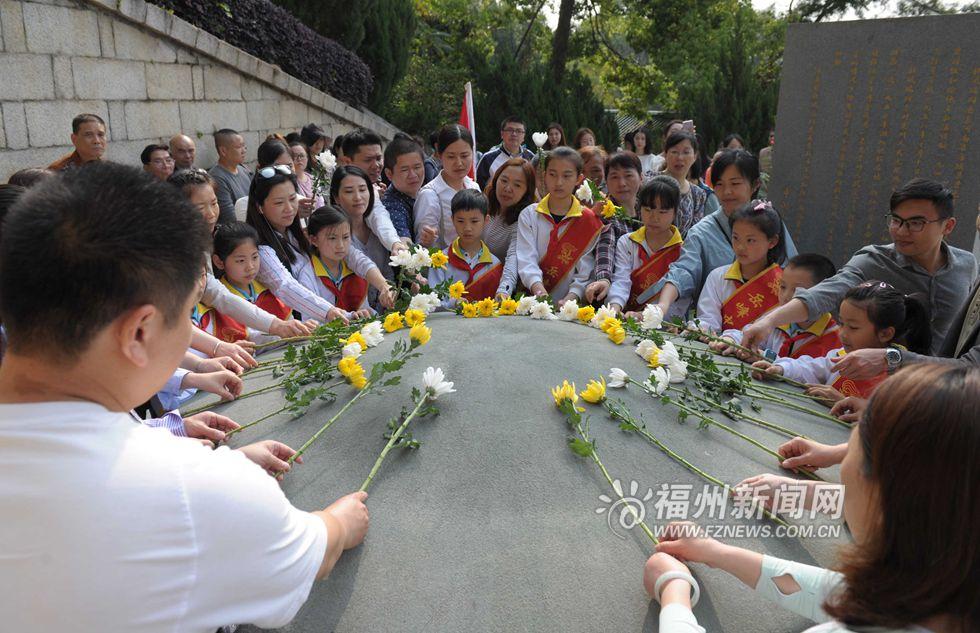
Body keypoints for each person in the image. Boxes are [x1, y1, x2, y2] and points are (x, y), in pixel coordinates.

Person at [0, 162, 370, 631]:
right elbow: (310, 551)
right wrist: (338, 521)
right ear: (139, 333)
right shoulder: (194, 488)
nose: (191, 336)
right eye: (185, 319)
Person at [644, 364, 979, 633]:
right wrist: (715, 552)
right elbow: (835, 591)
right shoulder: (948, 588)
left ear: (885, 496)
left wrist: (674, 593)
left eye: (852, 444)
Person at [742, 178, 976, 356]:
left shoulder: (966, 265)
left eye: (916, 223)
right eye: (896, 220)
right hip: (880, 384)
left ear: (948, 226)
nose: (901, 231)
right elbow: (823, 294)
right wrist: (768, 321)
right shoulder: (873, 260)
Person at [651, 150, 798, 319]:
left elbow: (792, 271)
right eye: (719, 184)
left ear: (755, 184)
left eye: (735, 184)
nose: (726, 191)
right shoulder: (701, 233)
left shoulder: (771, 223)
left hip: (769, 326)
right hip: (717, 329)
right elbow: (684, 271)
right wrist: (663, 304)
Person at [169, 169, 311, 342]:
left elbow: (218, 295)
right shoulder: (168, 256)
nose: (211, 214)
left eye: (214, 203)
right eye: (200, 208)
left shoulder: (199, 242)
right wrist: (217, 349)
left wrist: (277, 325)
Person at [752, 281, 932, 403]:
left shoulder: (901, 378)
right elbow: (813, 368)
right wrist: (780, 369)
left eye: (853, 327)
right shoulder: (843, 356)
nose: (842, 334)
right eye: (841, 323)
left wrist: (841, 402)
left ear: (885, 334)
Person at [247, 165, 349, 324]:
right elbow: (285, 285)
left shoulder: (294, 234)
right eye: (279, 202)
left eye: (292, 199)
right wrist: (328, 311)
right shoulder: (260, 250)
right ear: (260, 207)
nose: (289, 208)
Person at [713, 253, 841, 361]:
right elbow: (747, 334)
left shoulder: (835, 339)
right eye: (783, 287)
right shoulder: (776, 318)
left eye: (797, 290)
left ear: (823, 296)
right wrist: (731, 340)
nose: (786, 296)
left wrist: (767, 358)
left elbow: (811, 372)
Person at [516, 146, 603, 304]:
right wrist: (539, 291)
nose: (559, 182)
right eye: (552, 174)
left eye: (567, 176)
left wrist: (570, 299)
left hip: (570, 308)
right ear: (544, 176)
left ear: (579, 179)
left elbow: (585, 273)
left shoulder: (589, 221)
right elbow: (526, 259)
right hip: (530, 301)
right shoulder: (529, 215)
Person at [208, 222, 314, 344]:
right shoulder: (220, 300)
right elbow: (249, 341)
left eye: (255, 257)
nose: (250, 267)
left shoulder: (268, 288)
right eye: (241, 260)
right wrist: (288, 332)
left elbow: (288, 322)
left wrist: (301, 327)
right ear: (219, 262)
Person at [695, 200, 786, 334]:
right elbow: (708, 319)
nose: (740, 247)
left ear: (772, 242)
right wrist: (701, 329)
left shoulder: (782, 285)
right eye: (736, 238)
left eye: (750, 240)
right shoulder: (718, 277)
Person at [607, 176, 685, 318]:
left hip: (662, 325)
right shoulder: (627, 242)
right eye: (648, 209)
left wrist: (646, 316)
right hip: (625, 317)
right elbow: (621, 280)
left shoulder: (683, 252)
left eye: (662, 212)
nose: (654, 218)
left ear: (675, 213)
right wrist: (615, 307)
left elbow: (680, 301)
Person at [307, 206, 394, 318]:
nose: (341, 245)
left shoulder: (352, 267)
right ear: (314, 240)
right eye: (332, 238)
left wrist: (384, 287)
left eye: (346, 237)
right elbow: (310, 320)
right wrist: (352, 317)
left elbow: (364, 264)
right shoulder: (308, 274)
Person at [584, 152, 644, 305]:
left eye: (628, 175)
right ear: (607, 181)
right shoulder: (604, 214)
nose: (622, 183)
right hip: (613, 296)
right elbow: (605, 248)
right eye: (615, 177)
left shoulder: (650, 211)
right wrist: (604, 278)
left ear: (641, 177)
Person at [427, 189, 503, 308]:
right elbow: (432, 302)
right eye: (461, 221)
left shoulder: (494, 264)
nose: (467, 228)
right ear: (452, 220)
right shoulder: (439, 260)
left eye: (474, 221)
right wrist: (453, 303)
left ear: (486, 220)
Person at [340, 128, 409, 255]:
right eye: (368, 160)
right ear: (347, 162)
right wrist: (394, 242)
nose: (376, 165)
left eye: (378, 158)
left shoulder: (382, 189)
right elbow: (378, 215)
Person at [330, 165, 396, 293]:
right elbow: (358, 261)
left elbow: (388, 272)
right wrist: (383, 286)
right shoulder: (333, 233)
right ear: (336, 197)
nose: (358, 197)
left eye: (362, 189)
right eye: (349, 191)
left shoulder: (376, 228)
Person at [414, 123, 481, 250]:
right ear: (440, 155)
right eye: (451, 156)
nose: (459, 163)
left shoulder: (474, 187)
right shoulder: (430, 195)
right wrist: (427, 241)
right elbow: (422, 248)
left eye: (465, 155)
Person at [484, 157, 537, 299]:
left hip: (495, 290)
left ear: (527, 191)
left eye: (517, 185)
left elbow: (513, 258)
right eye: (504, 180)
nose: (507, 189)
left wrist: (504, 291)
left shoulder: (522, 221)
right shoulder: (484, 204)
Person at [661, 131, 709, 236]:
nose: (680, 158)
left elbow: (695, 233)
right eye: (674, 152)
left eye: (686, 152)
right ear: (665, 154)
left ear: (695, 156)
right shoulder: (650, 182)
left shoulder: (698, 194)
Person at [381, 134, 427, 241]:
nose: (413, 175)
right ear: (389, 174)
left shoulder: (426, 193)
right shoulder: (391, 206)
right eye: (405, 170)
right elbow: (404, 247)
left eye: (417, 167)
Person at [475, 116, 535, 190]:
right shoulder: (488, 158)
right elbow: (477, 187)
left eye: (519, 131)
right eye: (510, 130)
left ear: (524, 136)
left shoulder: (530, 157)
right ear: (502, 134)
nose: (514, 134)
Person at [208, 128, 252, 225]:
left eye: (244, 146)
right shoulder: (217, 177)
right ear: (223, 151)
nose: (244, 150)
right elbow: (230, 217)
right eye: (239, 147)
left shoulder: (244, 171)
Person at [289, 140, 324, 216]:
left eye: (301, 155)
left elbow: (321, 204)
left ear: (307, 158)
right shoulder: (288, 182)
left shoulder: (314, 179)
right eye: (294, 156)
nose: (299, 159)